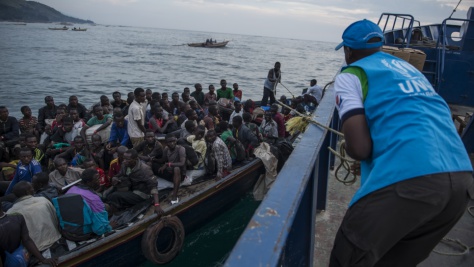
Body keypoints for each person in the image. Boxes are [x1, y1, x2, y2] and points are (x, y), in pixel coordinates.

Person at [330, 19, 474, 266]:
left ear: (348, 50)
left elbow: (360, 148)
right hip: (460, 181)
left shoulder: (351, 75)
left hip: (408, 179)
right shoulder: (408, 69)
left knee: (348, 257)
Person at [0, 200, 58, 267]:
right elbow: (27, 240)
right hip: (22, 259)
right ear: (1, 204)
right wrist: (43, 259)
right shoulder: (17, 217)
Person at [7, 181, 62, 251]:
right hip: (55, 239)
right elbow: (56, 219)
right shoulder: (43, 200)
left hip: (34, 249)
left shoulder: (11, 212)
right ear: (27, 192)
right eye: (31, 188)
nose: (33, 189)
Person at [61, 168, 113, 240]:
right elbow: (99, 229)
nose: (100, 181)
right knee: (106, 208)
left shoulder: (72, 189)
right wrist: (109, 226)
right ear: (89, 182)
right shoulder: (93, 198)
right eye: (97, 179)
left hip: (68, 229)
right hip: (82, 232)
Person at [107, 149, 163, 216]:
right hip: (130, 187)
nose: (124, 161)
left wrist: (157, 204)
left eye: (127, 159)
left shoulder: (144, 169)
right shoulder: (125, 165)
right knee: (108, 194)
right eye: (124, 159)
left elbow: (153, 186)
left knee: (115, 196)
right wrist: (115, 178)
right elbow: (120, 174)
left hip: (140, 193)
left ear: (135, 159)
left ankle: (114, 215)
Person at [158, 134, 186, 204]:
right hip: (170, 172)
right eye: (169, 142)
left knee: (176, 168)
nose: (172, 143)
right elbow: (163, 160)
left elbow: (182, 163)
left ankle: (174, 196)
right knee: (154, 165)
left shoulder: (181, 149)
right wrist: (152, 159)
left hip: (179, 174)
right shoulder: (166, 149)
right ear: (166, 143)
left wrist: (168, 164)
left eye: (173, 141)